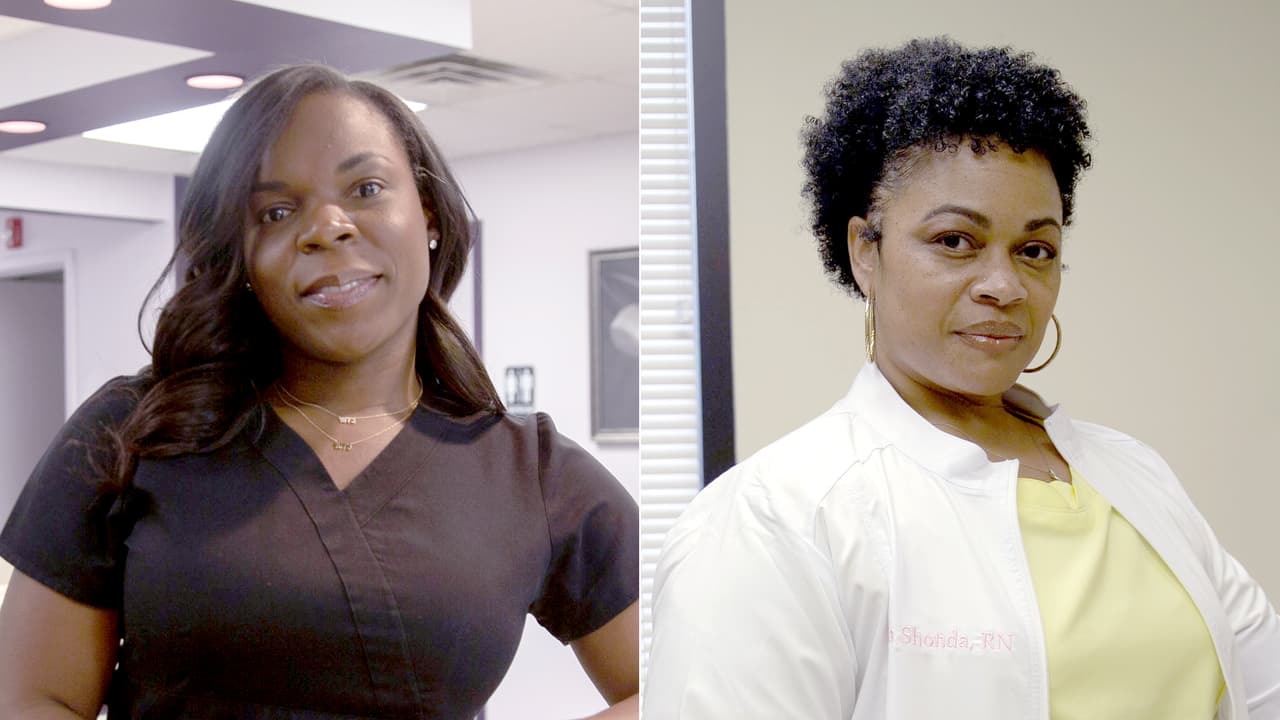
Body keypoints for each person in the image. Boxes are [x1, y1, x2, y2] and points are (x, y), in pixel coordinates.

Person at [644, 38, 1280, 719]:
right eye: (955, 241)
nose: (1004, 286)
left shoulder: (1132, 476)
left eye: (1035, 250)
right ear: (866, 251)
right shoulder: (777, 519)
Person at [0, 65, 639, 719]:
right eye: (277, 211)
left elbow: (683, 686)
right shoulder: (132, 433)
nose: (327, 226)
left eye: (365, 188)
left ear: (428, 215)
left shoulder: (532, 475)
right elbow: (34, 699)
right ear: (240, 259)